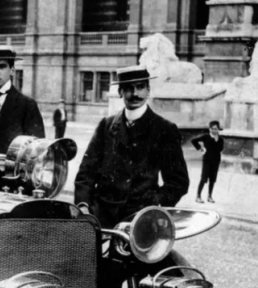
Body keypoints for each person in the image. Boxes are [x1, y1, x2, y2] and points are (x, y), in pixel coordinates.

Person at [74, 65, 189, 227]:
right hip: (102, 217)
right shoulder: (106, 126)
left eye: (140, 87)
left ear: (148, 91)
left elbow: (178, 182)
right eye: (128, 88)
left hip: (141, 219)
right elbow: (86, 173)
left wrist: (155, 204)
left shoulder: (164, 129)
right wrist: (84, 206)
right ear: (120, 92)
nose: (135, 94)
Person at [191, 120, 225, 203]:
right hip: (207, 160)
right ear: (209, 129)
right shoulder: (206, 137)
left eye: (216, 129)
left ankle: (210, 196)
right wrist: (200, 148)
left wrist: (216, 140)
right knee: (203, 178)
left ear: (218, 129)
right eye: (212, 128)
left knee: (212, 179)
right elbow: (193, 141)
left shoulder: (220, 139)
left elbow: (220, 149)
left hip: (216, 161)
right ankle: (198, 196)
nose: (214, 130)